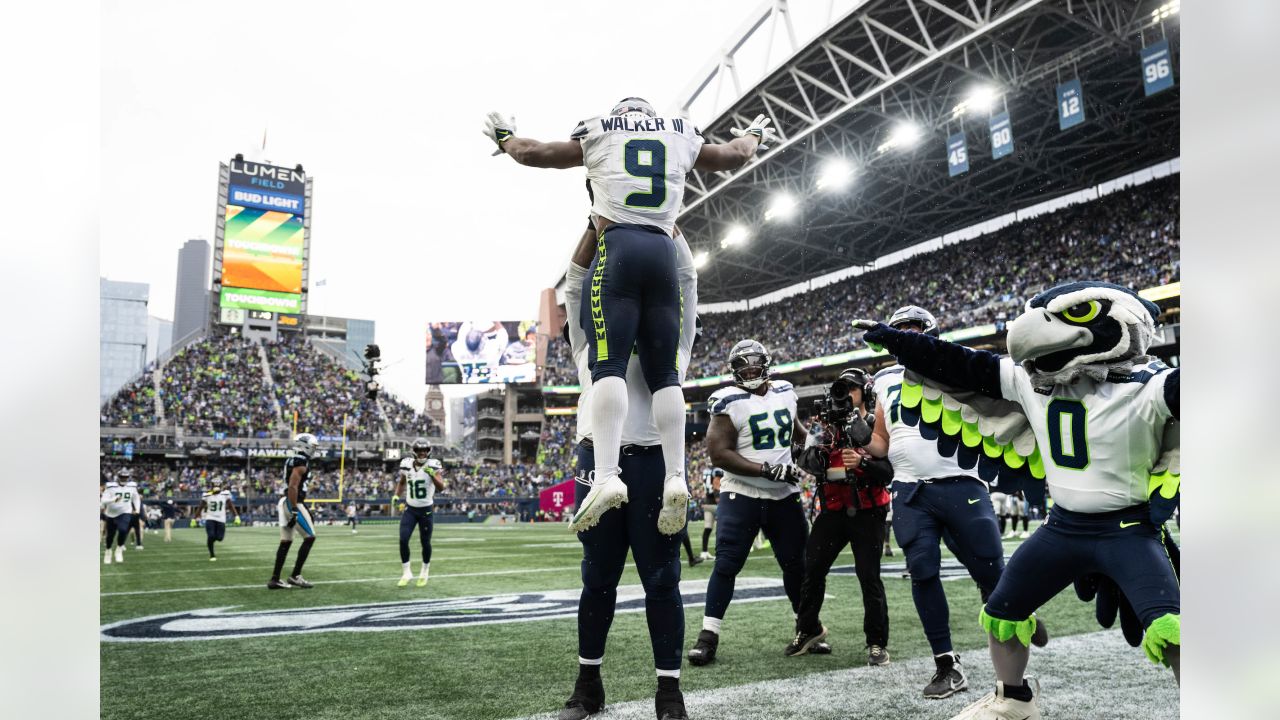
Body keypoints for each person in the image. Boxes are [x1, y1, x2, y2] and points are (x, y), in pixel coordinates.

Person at [857, 280, 1181, 719]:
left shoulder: (1154, 385)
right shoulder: (1031, 381)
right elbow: (963, 366)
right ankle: (1014, 699)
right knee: (1003, 611)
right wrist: (899, 342)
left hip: (1128, 529)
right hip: (1062, 527)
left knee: (1171, 628)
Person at [484, 100, 775, 535]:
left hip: (618, 246)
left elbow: (534, 153)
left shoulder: (600, 130)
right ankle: (677, 475)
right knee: (666, 376)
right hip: (662, 249)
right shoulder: (678, 131)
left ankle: (605, 476)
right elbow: (734, 155)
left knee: (608, 365)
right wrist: (753, 136)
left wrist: (505, 139)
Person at [555, 214, 699, 720]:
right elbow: (575, 283)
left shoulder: (673, 342)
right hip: (599, 460)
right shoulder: (590, 340)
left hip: (656, 464)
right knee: (598, 578)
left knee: (663, 580)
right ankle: (588, 685)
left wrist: (663, 224)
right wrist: (598, 226)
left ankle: (669, 692)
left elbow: (685, 280)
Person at [864, 306, 1031, 700]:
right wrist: (857, 437)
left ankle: (1012, 645)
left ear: (932, 333)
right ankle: (946, 664)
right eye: (900, 330)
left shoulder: (954, 366)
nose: (907, 335)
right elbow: (881, 441)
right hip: (910, 490)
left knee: (992, 574)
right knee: (922, 570)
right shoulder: (886, 379)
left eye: (913, 329)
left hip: (962, 484)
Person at [688, 340, 809, 668]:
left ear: (767, 366)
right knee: (727, 563)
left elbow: (797, 433)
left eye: (756, 367)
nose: (751, 373)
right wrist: (766, 469)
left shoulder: (785, 391)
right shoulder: (728, 401)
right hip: (740, 492)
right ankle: (708, 636)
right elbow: (719, 453)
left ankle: (807, 629)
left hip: (784, 494)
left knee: (797, 564)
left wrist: (810, 450)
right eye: (744, 369)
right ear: (735, 372)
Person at [791, 368, 893, 665]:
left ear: (865, 393)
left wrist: (863, 462)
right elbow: (807, 459)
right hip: (833, 509)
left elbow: (888, 473)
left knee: (869, 577)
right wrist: (810, 458)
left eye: (852, 388)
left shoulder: (876, 423)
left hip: (868, 511)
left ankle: (876, 642)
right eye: (842, 388)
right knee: (812, 569)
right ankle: (807, 629)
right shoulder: (825, 424)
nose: (846, 393)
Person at [268, 433, 319, 590]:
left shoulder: (294, 459)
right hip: (293, 502)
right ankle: (295, 575)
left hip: (286, 502)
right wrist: (295, 509)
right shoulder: (301, 461)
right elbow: (293, 486)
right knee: (310, 537)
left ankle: (275, 579)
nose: (315, 449)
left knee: (286, 541)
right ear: (305, 445)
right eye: (314, 446)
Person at [394, 438, 445, 587]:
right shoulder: (406, 464)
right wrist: (397, 495)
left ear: (429, 452)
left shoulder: (433, 465)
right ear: (414, 452)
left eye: (425, 450)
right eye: (419, 450)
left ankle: (424, 571)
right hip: (410, 509)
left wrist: (433, 475)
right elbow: (402, 482)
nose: (422, 453)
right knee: (403, 539)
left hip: (426, 510)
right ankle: (406, 572)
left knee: (425, 542)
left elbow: (441, 488)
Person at [193, 482, 239, 561]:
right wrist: (194, 518)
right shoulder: (207, 495)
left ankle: (210, 542)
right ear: (211, 486)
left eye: (217, 485)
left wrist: (236, 516)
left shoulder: (225, 494)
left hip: (221, 519)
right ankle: (212, 555)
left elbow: (231, 506)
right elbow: (200, 507)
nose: (216, 487)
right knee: (211, 536)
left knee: (220, 538)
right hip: (210, 518)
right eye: (215, 485)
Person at [101, 469, 137, 565]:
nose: (124, 479)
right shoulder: (110, 486)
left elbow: (136, 497)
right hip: (111, 513)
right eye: (122, 477)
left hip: (125, 512)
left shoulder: (132, 486)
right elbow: (103, 500)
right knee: (110, 537)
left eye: (125, 477)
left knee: (123, 530)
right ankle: (108, 551)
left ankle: (119, 548)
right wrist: (113, 499)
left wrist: (136, 508)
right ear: (118, 477)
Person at [700, 470, 721, 561]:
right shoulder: (716, 477)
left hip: (707, 504)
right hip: (715, 505)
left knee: (707, 529)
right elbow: (716, 492)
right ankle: (719, 552)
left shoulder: (707, 474)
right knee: (720, 529)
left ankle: (704, 552)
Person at [126, 473, 144, 550]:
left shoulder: (133, 493)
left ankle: (138, 544)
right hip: (131, 513)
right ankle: (138, 544)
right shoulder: (131, 493)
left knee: (134, 530)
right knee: (129, 530)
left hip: (134, 514)